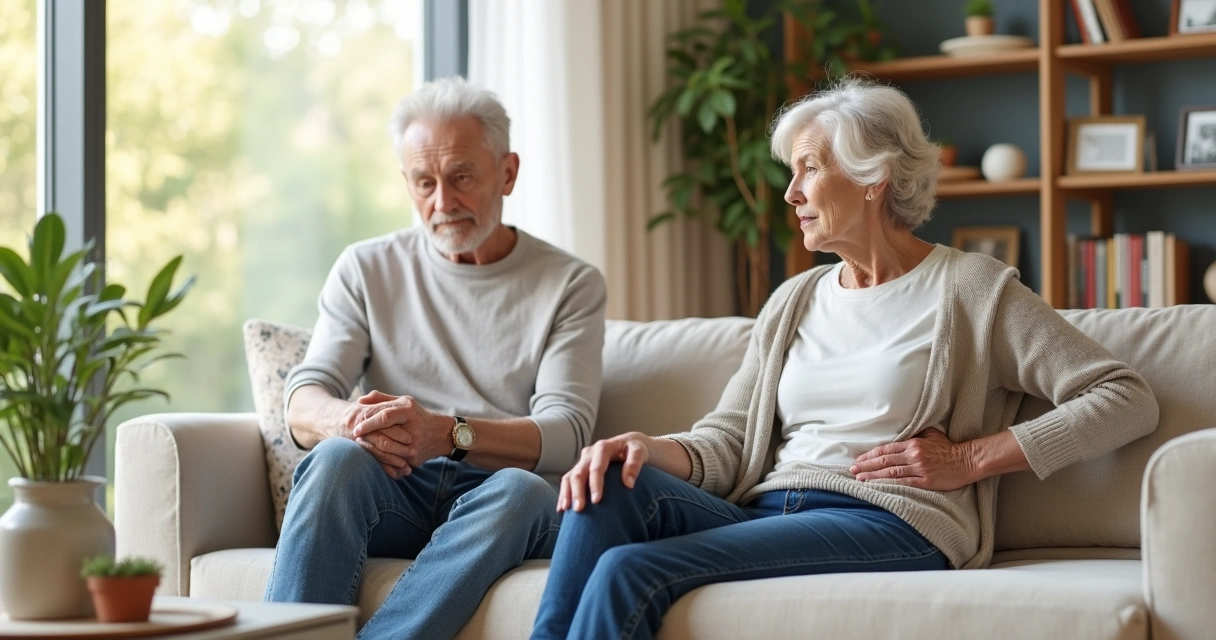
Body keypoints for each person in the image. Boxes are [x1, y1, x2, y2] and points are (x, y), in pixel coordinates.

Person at [529, 77, 1159, 640]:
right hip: (769, 507)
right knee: (606, 485)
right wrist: (642, 445)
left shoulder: (972, 289)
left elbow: (1123, 397)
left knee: (630, 569)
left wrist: (969, 459)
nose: (790, 193)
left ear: (872, 178)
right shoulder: (794, 299)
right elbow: (728, 442)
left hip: (889, 521)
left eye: (808, 169)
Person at [264, 77, 607, 640]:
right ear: (407, 182)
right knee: (334, 459)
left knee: (523, 491)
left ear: (508, 173)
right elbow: (303, 400)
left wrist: (445, 434)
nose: (442, 203)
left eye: (462, 177)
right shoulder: (365, 268)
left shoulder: (570, 284)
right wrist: (347, 421)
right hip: (395, 489)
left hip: (498, 502)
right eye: (424, 182)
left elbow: (567, 432)